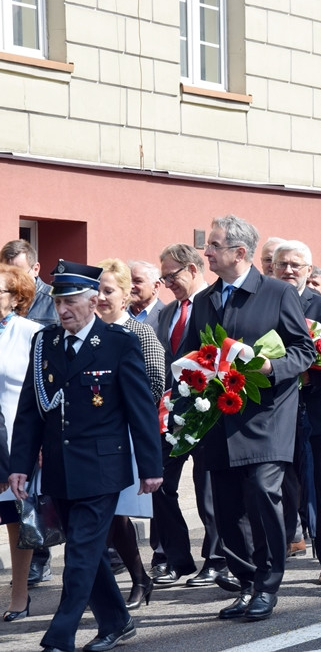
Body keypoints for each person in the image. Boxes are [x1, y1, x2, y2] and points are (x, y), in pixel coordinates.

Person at [7, 260, 162, 652]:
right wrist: (19, 465)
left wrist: (150, 466)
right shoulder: (46, 342)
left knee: (79, 555)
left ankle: (60, 636)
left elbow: (140, 408)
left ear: (93, 301)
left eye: (71, 301)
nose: (62, 310)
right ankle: (117, 622)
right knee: (87, 553)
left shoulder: (118, 342)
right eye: (58, 301)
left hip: (102, 468)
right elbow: (30, 410)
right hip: (59, 469)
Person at [177, 215, 315, 621]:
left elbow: (304, 350)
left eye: (214, 245)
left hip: (266, 418)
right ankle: (246, 582)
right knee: (227, 506)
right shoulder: (206, 300)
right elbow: (191, 354)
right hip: (219, 420)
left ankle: (268, 584)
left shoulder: (277, 292)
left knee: (261, 494)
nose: (206, 252)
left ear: (239, 252)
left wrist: (272, 368)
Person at [152, 244, 233, 589]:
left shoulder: (215, 303)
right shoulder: (168, 312)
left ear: (193, 269)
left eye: (172, 275)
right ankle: (177, 558)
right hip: (171, 412)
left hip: (207, 410)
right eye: (164, 278)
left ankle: (216, 560)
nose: (168, 283)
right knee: (158, 483)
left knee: (208, 489)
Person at [272, 240, 321, 585]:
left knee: (319, 485)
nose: (288, 270)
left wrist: (304, 375)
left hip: (312, 411)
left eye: (295, 265)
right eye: (282, 264)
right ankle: (274, 555)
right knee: (276, 487)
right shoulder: (265, 302)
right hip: (272, 413)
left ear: (309, 270)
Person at [96, 258, 166, 611]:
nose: (100, 297)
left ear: (125, 295)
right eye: (97, 290)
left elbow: (154, 383)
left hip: (125, 432)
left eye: (108, 291)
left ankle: (137, 578)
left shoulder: (140, 332)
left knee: (115, 511)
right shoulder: (89, 332)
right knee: (104, 511)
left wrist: (116, 408)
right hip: (92, 436)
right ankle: (133, 579)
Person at [0, 264, 42, 621]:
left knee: (17, 520)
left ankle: (19, 595)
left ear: (16, 298)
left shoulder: (31, 333)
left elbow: (42, 393)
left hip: (15, 441)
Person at [1, 240, 57, 328]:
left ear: (36, 269)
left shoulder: (55, 300)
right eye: (7, 274)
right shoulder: (3, 298)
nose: (13, 280)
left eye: (18, 274)